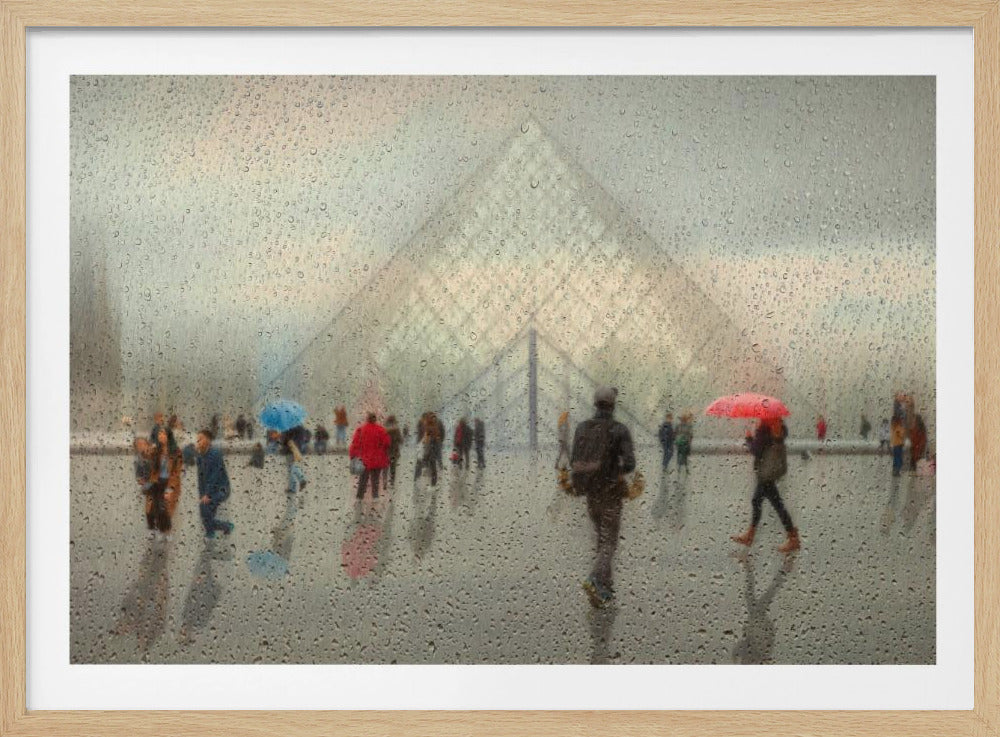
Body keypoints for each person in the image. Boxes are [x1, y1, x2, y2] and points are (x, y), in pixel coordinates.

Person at [570, 386, 635, 608]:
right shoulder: (619, 430)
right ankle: (594, 579)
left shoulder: (581, 428)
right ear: (613, 404)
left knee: (600, 538)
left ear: (595, 404)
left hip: (590, 495)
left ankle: (604, 588)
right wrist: (615, 469)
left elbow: (573, 460)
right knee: (610, 543)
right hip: (611, 495)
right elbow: (630, 464)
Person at [731, 418, 800, 554]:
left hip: (765, 473)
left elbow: (756, 450)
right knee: (763, 501)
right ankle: (751, 535)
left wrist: (749, 439)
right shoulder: (777, 426)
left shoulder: (765, 428)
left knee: (773, 504)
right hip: (768, 471)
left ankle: (792, 538)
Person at [195, 430, 234, 539]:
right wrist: (202, 495)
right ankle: (223, 528)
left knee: (204, 508)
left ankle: (214, 532)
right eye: (197, 440)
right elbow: (200, 478)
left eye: (200, 439)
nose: (198, 442)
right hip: (209, 490)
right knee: (205, 514)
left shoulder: (215, 454)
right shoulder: (199, 457)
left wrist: (207, 494)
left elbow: (214, 476)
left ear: (208, 440)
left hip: (221, 489)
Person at [147, 427, 183, 538]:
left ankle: (166, 531)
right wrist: (150, 450)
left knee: (165, 508)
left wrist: (170, 488)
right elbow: (147, 460)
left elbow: (176, 472)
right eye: (159, 434)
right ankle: (153, 529)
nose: (160, 436)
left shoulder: (176, 452)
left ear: (168, 436)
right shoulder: (156, 450)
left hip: (169, 483)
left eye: (163, 434)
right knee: (151, 508)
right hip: (156, 482)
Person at [350, 413, 391, 500]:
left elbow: (355, 444)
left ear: (367, 419)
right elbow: (387, 443)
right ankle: (375, 497)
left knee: (363, 479)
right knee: (375, 479)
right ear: (375, 419)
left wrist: (353, 456)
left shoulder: (361, 430)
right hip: (377, 459)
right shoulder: (381, 430)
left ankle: (359, 498)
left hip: (364, 460)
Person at [133, 437, 155, 534]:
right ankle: (152, 527)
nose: (141, 447)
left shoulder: (156, 454)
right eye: (139, 446)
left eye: (143, 444)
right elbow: (139, 476)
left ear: (148, 444)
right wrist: (141, 480)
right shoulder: (139, 461)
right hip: (148, 485)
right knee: (149, 508)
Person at [415, 411, 441, 486]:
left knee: (425, 464)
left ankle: (419, 480)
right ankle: (433, 484)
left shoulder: (428, 427)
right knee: (432, 467)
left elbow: (426, 439)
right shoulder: (435, 427)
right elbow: (438, 438)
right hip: (432, 448)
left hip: (429, 449)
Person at [283, 427, 307, 493]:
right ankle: (301, 479)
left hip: (290, 449)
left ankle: (293, 487)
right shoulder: (296, 427)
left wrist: (283, 441)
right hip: (293, 448)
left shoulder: (289, 428)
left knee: (290, 469)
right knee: (292, 467)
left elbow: (286, 440)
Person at [385, 415, 403, 486]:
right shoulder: (396, 430)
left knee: (385, 468)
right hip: (394, 452)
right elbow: (401, 440)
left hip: (386, 452)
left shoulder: (384, 429)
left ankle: (385, 481)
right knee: (393, 468)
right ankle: (392, 482)